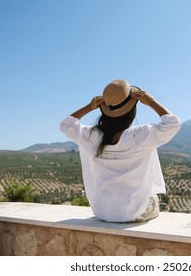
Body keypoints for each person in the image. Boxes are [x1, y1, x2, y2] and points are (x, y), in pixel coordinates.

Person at [59, 79, 181, 222]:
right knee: (153, 197)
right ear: (131, 111)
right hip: (134, 213)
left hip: (102, 212)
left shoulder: (92, 136)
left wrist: (89, 107)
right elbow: (173, 123)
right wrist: (151, 101)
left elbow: (66, 125)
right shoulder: (139, 135)